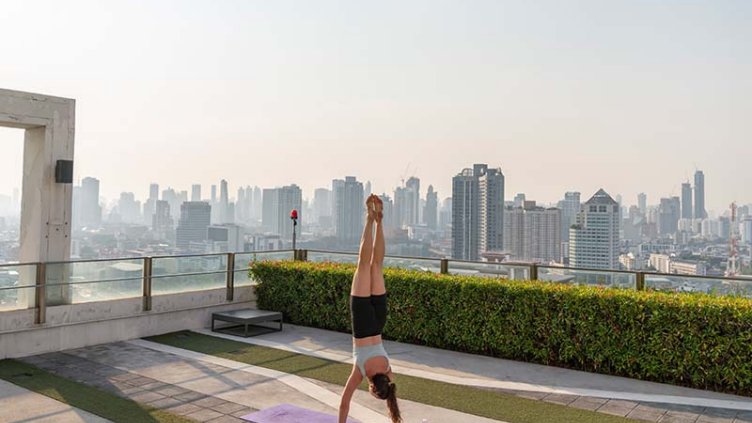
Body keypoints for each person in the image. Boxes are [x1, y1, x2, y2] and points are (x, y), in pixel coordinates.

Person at [338, 194, 402, 423]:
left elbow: (388, 390)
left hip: (379, 321)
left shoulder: (387, 369)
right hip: (363, 323)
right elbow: (344, 403)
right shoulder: (361, 371)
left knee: (376, 264)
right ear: (372, 387)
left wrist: (389, 402)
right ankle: (369, 219)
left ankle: (379, 221)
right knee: (364, 264)